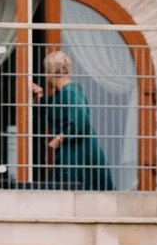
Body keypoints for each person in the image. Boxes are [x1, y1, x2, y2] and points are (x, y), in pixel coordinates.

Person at [34, 46, 114, 192]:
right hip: (73, 150)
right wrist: (38, 98)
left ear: (50, 73)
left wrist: (60, 138)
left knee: (67, 189)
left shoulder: (70, 92)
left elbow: (81, 119)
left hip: (78, 150)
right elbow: (50, 110)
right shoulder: (61, 94)